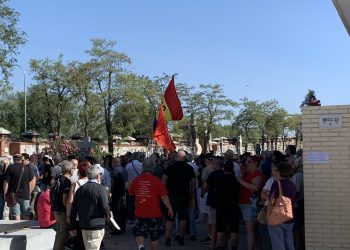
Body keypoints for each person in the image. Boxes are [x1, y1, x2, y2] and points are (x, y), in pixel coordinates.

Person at [129, 158, 174, 250]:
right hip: (154, 213)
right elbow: (164, 196)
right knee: (154, 236)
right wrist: (169, 208)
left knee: (139, 232)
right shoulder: (157, 181)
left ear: (143, 167)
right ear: (153, 168)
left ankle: (141, 247)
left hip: (140, 211)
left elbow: (130, 193)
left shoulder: (136, 180)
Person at [70, 164, 111, 250]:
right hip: (96, 224)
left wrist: (72, 225)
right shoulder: (100, 189)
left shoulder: (80, 189)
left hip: (84, 224)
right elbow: (105, 206)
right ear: (97, 176)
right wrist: (108, 215)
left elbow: (73, 209)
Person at [163, 150, 196, 246]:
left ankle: (168, 239)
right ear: (184, 158)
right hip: (184, 196)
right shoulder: (189, 168)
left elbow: (164, 179)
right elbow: (193, 181)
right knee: (183, 218)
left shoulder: (170, 167)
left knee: (170, 218)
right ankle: (181, 238)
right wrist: (192, 193)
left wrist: (164, 191)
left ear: (177, 157)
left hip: (171, 196)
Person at [267, 161, 297, 250]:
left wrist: (268, 216)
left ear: (279, 172)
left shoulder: (276, 183)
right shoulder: (291, 184)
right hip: (289, 216)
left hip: (277, 217)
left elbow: (271, 201)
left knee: (278, 244)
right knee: (289, 242)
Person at [237, 155, 265, 250]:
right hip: (245, 203)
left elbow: (255, 187)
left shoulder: (257, 174)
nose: (246, 163)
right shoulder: (249, 173)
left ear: (255, 163)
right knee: (253, 230)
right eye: (246, 162)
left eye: (249, 162)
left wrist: (240, 181)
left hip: (250, 204)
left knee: (250, 230)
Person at [215, 160, 240, 250]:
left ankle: (220, 247)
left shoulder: (219, 178)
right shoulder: (235, 180)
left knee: (220, 230)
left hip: (221, 207)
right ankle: (234, 247)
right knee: (234, 231)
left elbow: (215, 190)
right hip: (233, 207)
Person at [202, 156, 225, 250]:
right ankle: (222, 244)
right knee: (222, 225)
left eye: (214, 162)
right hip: (223, 202)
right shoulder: (225, 174)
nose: (212, 164)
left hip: (213, 202)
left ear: (217, 164)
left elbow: (205, 186)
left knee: (213, 225)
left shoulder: (213, 174)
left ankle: (212, 244)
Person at [66, 161, 90, 250]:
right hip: (91, 217)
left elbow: (70, 201)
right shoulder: (95, 183)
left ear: (79, 172)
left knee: (79, 241)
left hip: (78, 216)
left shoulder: (75, 184)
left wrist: (68, 216)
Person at [3, 154, 35, 220]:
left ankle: (17, 228)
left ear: (13, 160)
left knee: (16, 214)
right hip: (25, 194)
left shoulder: (10, 168)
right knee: (26, 214)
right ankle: (25, 228)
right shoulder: (27, 168)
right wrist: (29, 192)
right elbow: (32, 181)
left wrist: (5, 194)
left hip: (13, 195)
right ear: (21, 160)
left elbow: (6, 183)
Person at [51, 160, 73, 250]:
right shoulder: (66, 181)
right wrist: (68, 211)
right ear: (69, 170)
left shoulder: (57, 178)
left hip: (56, 209)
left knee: (59, 233)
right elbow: (65, 199)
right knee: (62, 236)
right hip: (62, 211)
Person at [110, 156, 127, 235]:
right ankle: (123, 228)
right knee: (123, 211)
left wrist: (111, 191)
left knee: (116, 212)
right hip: (123, 193)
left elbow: (112, 183)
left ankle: (117, 229)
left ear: (114, 162)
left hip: (116, 193)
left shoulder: (113, 170)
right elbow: (126, 182)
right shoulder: (124, 169)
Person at [125, 152, 144, 223]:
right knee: (138, 201)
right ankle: (137, 216)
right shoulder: (141, 165)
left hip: (130, 185)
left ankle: (130, 217)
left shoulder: (128, 165)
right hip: (139, 186)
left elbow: (126, 176)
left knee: (130, 201)